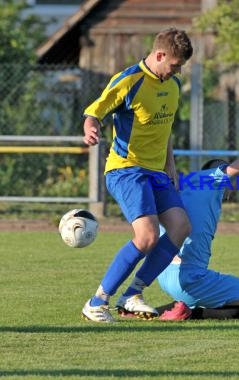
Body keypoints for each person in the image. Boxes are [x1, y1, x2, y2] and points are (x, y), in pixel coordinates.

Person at [81, 28, 194, 322]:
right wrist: (90, 127)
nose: (177, 71)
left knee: (181, 227)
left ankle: (133, 294)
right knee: (147, 236)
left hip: (156, 171)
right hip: (126, 169)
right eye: (175, 65)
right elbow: (96, 110)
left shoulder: (173, 86)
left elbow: (166, 128)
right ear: (159, 55)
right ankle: (96, 301)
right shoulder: (129, 80)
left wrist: (170, 164)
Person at [156, 152, 239, 320]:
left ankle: (154, 312)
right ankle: (189, 314)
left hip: (163, 273)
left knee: (211, 296)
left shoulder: (185, 183)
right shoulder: (213, 179)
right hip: (189, 277)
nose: (233, 186)